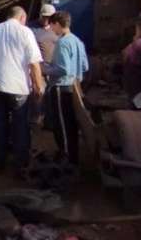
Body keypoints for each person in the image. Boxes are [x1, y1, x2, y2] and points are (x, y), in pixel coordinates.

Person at [0, 6, 44, 173]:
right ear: (22, 17)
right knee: (20, 126)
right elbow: (34, 63)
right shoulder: (25, 32)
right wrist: (38, 86)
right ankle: (20, 164)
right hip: (19, 88)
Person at [43, 11, 89, 165]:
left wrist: (45, 70)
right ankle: (71, 155)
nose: (51, 29)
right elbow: (85, 66)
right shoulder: (77, 41)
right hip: (75, 87)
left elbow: (63, 69)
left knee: (61, 124)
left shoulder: (63, 42)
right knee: (72, 123)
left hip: (61, 87)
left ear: (57, 24)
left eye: (52, 26)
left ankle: (67, 157)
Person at [29, 4, 59, 128]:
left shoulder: (56, 29)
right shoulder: (31, 28)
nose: (47, 20)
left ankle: (49, 122)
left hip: (53, 67)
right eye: (44, 17)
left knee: (51, 96)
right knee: (37, 94)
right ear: (40, 15)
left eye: (50, 17)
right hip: (38, 68)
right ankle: (35, 120)